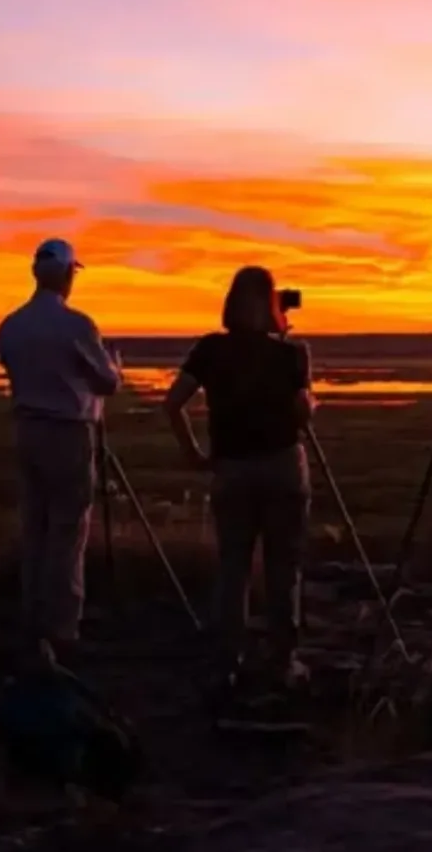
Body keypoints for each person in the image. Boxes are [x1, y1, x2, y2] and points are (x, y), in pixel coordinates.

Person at [161, 266, 314, 688]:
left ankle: (228, 659)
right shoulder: (291, 355)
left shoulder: (210, 350)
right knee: (285, 567)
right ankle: (283, 661)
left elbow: (172, 403)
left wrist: (193, 453)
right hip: (283, 466)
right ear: (271, 306)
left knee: (233, 567)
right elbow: (305, 417)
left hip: (230, 469)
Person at [0, 238, 124, 658]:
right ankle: (63, 627)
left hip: (27, 430)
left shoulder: (10, 325)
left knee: (36, 527)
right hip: (69, 433)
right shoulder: (77, 325)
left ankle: (32, 617)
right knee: (68, 531)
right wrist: (114, 367)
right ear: (68, 274)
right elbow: (106, 382)